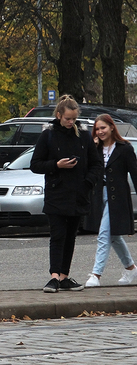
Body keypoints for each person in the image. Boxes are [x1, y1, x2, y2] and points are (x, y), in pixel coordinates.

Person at [30, 94, 102, 293]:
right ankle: (53, 276)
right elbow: (35, 164)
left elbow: (96, 164)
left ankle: (64, 276)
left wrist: (88, 182)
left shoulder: (84, 135)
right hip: (57, 194)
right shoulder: (49, 135)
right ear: (59, 115)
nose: (71, 122)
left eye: (73, 119)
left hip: (78, 194)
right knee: (58, 235)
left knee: (71, 237)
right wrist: (56, 165)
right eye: (67, 119)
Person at [83, 114, 137, 287]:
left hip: (118, 198)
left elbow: (135, 174)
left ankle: (96, 274)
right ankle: (130, 268)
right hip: (99, 196)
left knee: (104, 234)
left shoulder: (125, 148)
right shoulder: (95, 149)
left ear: (112, 127)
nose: (100, 132)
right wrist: (92, 147)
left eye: (103, 128)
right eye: (97, 129)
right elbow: (87, 170)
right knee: (113, 236)